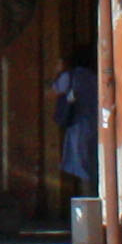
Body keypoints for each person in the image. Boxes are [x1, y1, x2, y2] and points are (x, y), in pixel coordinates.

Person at [50, 59, 98, 197]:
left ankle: (85, 207)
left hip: (78, 126)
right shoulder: (94, 77)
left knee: (81, 167)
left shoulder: (69, 77)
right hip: (94, 126)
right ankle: (93, 203)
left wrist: (56, 74)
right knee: (91, 166)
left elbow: (54, 91)